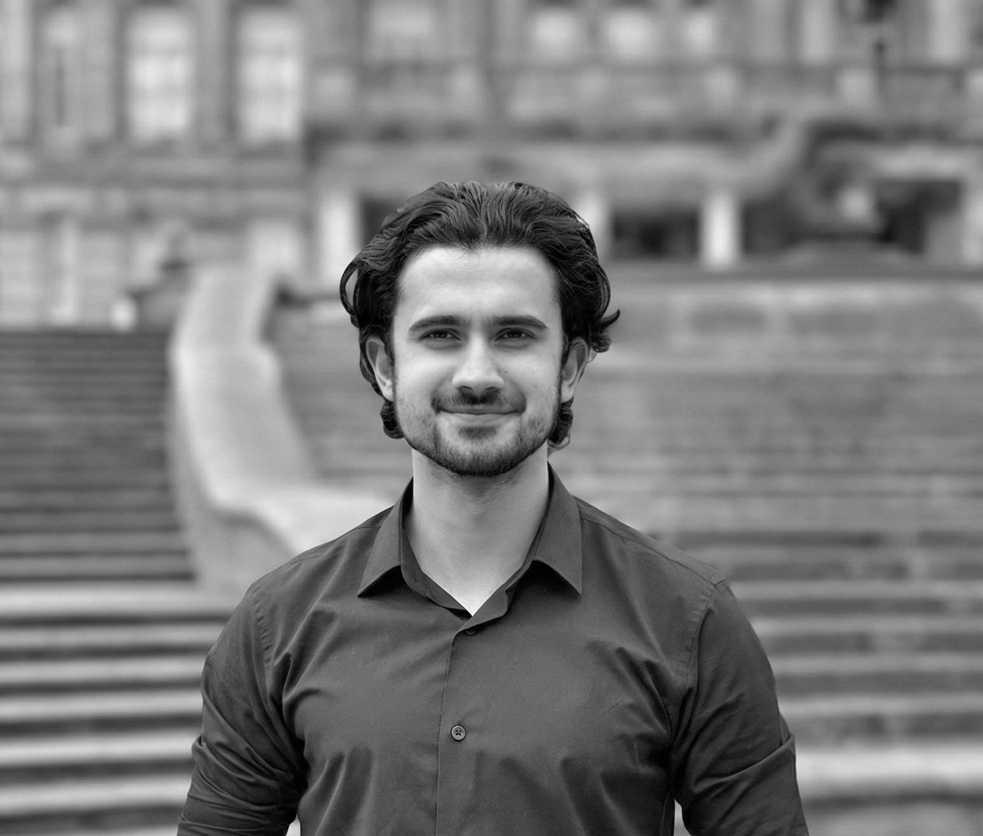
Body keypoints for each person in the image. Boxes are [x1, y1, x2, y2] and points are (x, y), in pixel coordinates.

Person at [179, 181, 806, 836]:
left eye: (513, 335)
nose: (476, 375)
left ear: (567, 367)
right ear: (385, 366)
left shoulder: (689, 620)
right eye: (441, 334)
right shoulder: (275, 626)